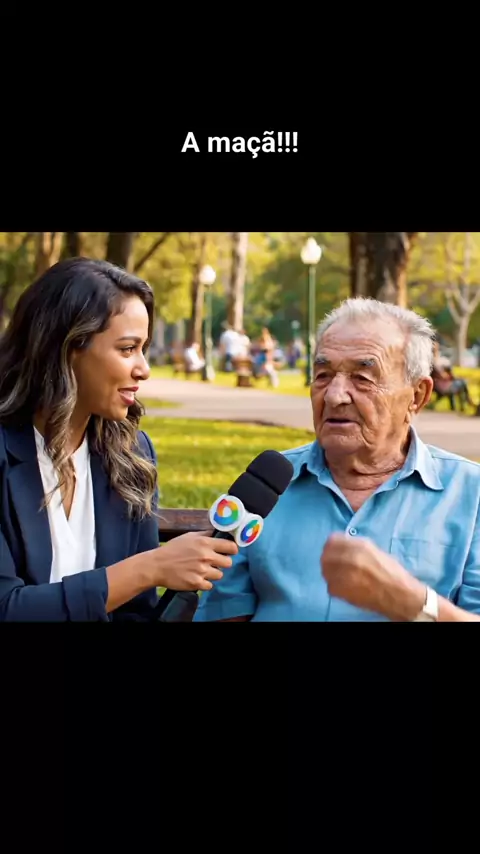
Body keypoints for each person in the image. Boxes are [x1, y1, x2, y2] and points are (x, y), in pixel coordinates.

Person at [194, 297, 480, 622]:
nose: (334, 395)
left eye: (363, 378)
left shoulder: (470, 494)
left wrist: (418, 604)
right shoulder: (266, 487)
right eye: (323, 375)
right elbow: (223, 613)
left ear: (417, 396)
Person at [0, 258, 237, 621]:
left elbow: (136, 612)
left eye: (144, 349)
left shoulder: (131, 455)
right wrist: (150, 567)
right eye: (127, 349)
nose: (143, 369)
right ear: (66, 348)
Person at [431, 341, 475, 411]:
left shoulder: (433, 361)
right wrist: (452, 377)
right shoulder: (435, 362)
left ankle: (462, 405)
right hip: (442, 386)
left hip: (440, 385)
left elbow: (446, 375)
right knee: (463, 383)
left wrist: (452, 376)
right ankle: (466, 402)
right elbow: (443, 376)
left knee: (461, 382)